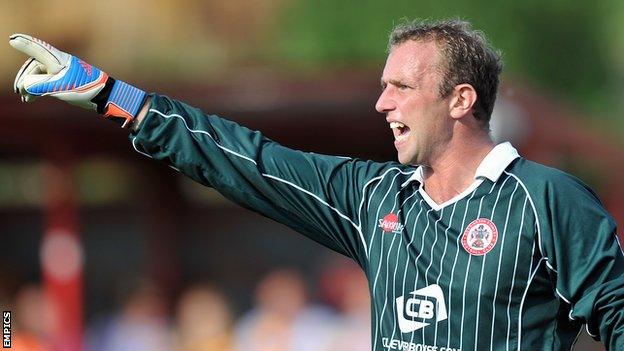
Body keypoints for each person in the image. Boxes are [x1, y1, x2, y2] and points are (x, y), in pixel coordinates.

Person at [9, 19, 624, 350]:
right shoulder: (375, 196)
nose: (381, 103)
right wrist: (117, 98)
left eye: (401, 87)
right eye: (382, 85)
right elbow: (249, 161)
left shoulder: (547, 199)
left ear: (461, 99)